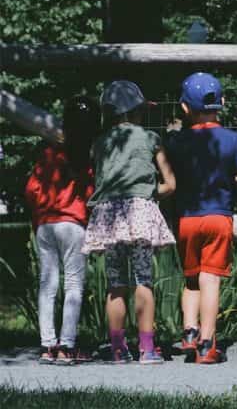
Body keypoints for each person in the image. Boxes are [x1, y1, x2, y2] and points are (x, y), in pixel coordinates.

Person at [82, 81, 176, 364]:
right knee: (143, 280)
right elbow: (170, 184)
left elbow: (95, 178)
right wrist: (147, 194)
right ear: (136, 110)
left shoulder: (99, 143)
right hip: (139, 213)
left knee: (116, 284)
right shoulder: (150, 139)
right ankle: (147, 349)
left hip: (109, 216)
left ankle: (118, 348)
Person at [165, 73, 237, 364]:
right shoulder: (232, 139)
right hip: (218, 218)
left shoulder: (177, 142)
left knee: (191, 278)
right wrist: (234, 179)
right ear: (222, 103)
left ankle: (189, 333)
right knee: (211, 280)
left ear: (184, 108)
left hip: (187, 219)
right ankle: (206, 343)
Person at [25, 95, 99, 365]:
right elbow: (91, 194)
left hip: (46, 224)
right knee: (74, 286)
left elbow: (32, 189)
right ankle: (67, 347)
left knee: (47, 285)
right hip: (74, 224)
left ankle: (47, 345)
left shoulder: (47, 154)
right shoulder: (87, 159)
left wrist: (39, 217)